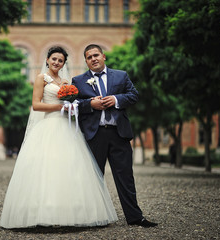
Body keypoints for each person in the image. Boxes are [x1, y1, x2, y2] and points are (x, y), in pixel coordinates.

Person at [0, 46, 117, 229]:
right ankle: (42, 212)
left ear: (63, 64)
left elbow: (72, 103)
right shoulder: (41, 79)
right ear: (47, 60)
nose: (56, 62)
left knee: (69, 167)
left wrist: (72, 108)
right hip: (48, 125)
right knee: (47, 167)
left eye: (60, 60)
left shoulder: (65, 81)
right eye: (54, 59)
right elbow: (36, 105)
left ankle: (71, 212)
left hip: (66, 126)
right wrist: (60, 107)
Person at [72, 44, 158, 228]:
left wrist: (117, 100)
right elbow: (73, 105)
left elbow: (134, 95)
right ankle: (92, 218)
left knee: (125, 177)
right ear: (86, 61)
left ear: (104, 57)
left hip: (119, 134)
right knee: (94, 177)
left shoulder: (121, 75)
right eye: (89, 57)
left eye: (96, 55)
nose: (93, 59)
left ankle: (135, 218)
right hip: (94, 136)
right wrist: (90, 104)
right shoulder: (78, 81)